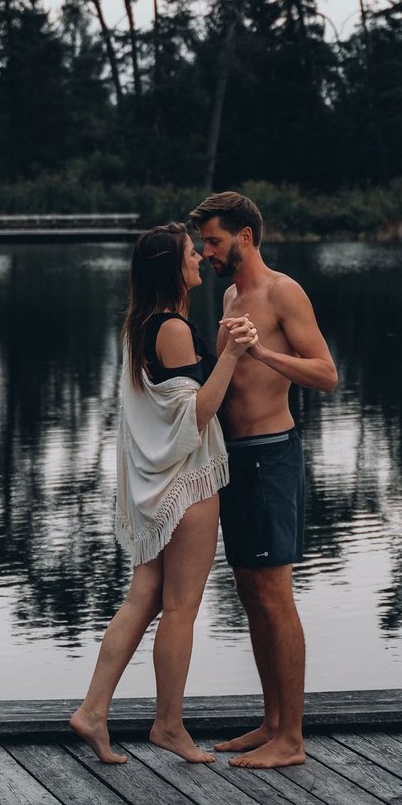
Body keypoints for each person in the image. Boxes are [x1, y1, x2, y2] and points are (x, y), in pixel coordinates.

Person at [71, 223, 259, 764]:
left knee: (144, 598)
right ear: (170, 266)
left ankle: (93, 711)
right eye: (189, 253)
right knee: (181, 607)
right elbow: (193, 419)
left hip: (159, 483)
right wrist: (233, 354)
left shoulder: (141, 324)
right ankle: (169, 726)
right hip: (186, 482)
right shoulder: (171, 329)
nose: (200, 257)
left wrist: (220, 347)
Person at [189, 191, 337, 769]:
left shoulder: (282, 292)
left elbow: (326, 374)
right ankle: (272, 721)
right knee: (250, 594)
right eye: (203, 244)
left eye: (215, 241)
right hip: (234, 457)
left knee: (276, 595)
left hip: (273, 456)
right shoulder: (230, 294)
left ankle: (292, 740)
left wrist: (264, 355)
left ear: (245, 236)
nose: (206, 252)